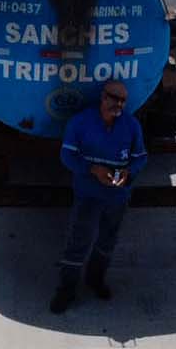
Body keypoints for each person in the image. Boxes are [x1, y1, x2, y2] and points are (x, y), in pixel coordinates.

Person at [53, 79, 145, 313]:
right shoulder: (81, 123)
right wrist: (92, 169)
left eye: (123, 101)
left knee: (107, 240)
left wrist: (128, 172)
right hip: (89, 194)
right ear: (103, 97)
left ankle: (95, 279)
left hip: (117, 197)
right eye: (115, 99)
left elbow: (140, 157)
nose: (120, 105)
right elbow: (67, 157)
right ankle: (66, 289)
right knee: (79, 240)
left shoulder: (131, 125)